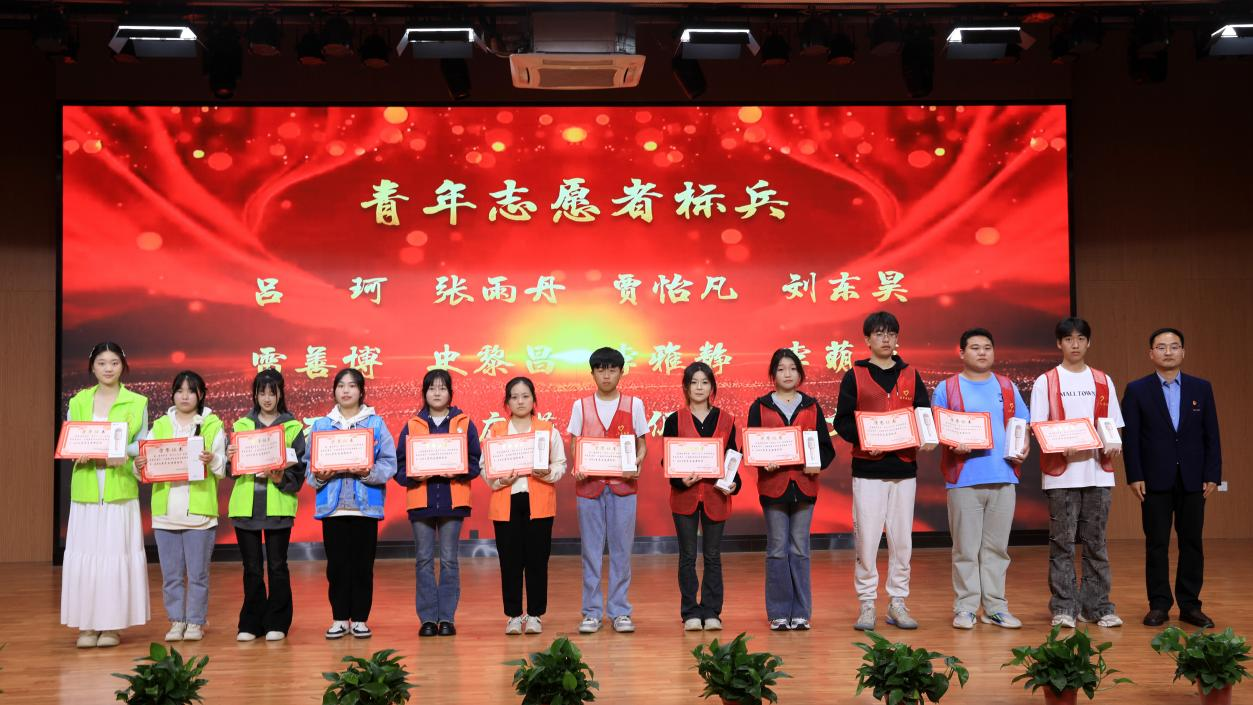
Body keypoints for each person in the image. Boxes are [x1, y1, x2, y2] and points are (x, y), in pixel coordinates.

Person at [833, 311, 930, 631]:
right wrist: (865, 440)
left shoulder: (911, 374)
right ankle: (866, 604)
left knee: (902, 541)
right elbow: (842, 421)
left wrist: (925, 437)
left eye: (890, 333)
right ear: (867, 339)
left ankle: (898, 602)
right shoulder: (855, 375)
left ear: (897, 338)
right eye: (879, 333)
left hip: (903, 468)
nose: (885, 339)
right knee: (867, 539)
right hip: (868, 469)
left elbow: (923, 416)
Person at [1122, 327, 1221, 628]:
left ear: (1183, 352)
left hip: (1193, 479)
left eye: (1174, 346)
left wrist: (1213, 474)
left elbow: (1212, 435)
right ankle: (1159, 605)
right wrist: (1135, 475)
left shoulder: (1201, 388)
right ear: (1151, 353)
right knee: (1157, 544)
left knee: (1192, 542)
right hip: (1154, 479)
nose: (1168, 352)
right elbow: (1131, 438)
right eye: (1161, 347)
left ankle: (1190, 606)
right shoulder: (1137, 390)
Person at [930, 328, 1030, 630]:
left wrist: (1024, 446)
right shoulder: (947, 388)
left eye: (987, 347)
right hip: (964, 477)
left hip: (1003, 476)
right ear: (962, 353)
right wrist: (952, 442)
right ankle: (966, 608)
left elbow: (1022, 424)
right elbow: (938, 428)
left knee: (997, 549)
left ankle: (995, 607)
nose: (982, 352)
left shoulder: (1007, 386)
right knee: (965, 549)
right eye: (975, 347)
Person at [1030, 317, 1124, 629]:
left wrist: (1113, 443)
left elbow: (1113, 426)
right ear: (1059, 343)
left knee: (1096, 543)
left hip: (1098, 472)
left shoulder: (1103, 380)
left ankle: (1097, 607)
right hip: (1062, 474)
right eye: (1069, 339)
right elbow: (1038, 426)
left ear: (1088, 342)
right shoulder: (1046, 381)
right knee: (1063, 544)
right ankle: (1064, 608)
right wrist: (1060, 445)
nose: (1075, 344)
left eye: (1081, 339)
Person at [61, 342, 150, 648]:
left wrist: (121, 451)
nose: (108, 368)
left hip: (118, 487)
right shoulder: (78, 401)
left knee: (115, 553)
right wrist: (77, 451)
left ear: (123, 365)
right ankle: (86, 625)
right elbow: (69, 437)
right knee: (87, 553)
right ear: (92, 367)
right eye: (102, 363)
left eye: (114, 362)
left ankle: (112, 625)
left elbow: (142, 443)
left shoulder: (137, 401)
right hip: (86, 487)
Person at [748, 348, 836, 631]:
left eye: (792, 368)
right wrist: (764, 461)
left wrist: (815, 464)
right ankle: (778, 612)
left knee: (799, 549)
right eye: (781, 369)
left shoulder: (811, 406)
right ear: (773, 374)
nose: (787, 374)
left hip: (804, 486)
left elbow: (826, 448)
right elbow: (752, 447)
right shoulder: (760, 406)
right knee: (776, 549)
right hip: (773, 486)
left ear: (800, 373)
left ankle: (801, 612)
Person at [306, 368, 397, 640]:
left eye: (352, 386)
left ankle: (359, 619)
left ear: (361, 391)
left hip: (365, 508)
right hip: (333, 509)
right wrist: (320, 476)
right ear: (334, 390)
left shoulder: (376, 424)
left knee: (362, 566)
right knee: (336, 567)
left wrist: (368, 472)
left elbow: (389, 462)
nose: (346, 390)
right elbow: (309, 467)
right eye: (341, 385)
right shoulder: (321, 426)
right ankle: (338, 618)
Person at [136, 370, 226, 643]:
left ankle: (195, 622)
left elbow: (222, 468)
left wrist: (211, 459)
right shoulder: (161, 425)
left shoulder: (212, 425)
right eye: (180, 390)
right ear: (173, 394)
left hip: (199, 513)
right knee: (171, 575)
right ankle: (176, 621)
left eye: (191, 391)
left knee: (198, 575)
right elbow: (145, 466)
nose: (185, 396)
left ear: (201, 394)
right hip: (166, 513)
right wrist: (139, 465)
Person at [393, 369, 482, 637]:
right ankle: (428, 619)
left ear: (450, 393)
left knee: (449, 561)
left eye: (442, 388)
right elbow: (399, 467)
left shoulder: (464, 423)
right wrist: (414, 475)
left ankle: (447, 619)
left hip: (453, 503)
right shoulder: (412, 425)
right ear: (425, 393)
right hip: (421, 501)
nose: (437, 393)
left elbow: (475, 463)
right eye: (432, 388)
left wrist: (458, 471)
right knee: (423, 560)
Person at [567, 347, 649, 634]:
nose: (606, 375)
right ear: (592, 373)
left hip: (623, 487)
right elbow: (575, 443)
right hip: (588, 487)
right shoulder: (581, 405)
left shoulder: (634, 404)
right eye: (600, 369)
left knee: (621, 552)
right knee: (590, 552)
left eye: (612, 369)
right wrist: (578, 464)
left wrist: (637, 462)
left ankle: (619, 611)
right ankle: (591, 613)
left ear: (621, 372)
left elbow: (642, 444)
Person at [482, 377, 566, 635]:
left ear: (534, 400)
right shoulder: (496, 431)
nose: (520, 401)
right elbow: (485, 467)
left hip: (539, 502)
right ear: (507, 402)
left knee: (537, 560)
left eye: (525, 396)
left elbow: (560, 464)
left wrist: (547, 474)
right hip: (506, 501)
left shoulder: (547, 430)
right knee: (509, 561)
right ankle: (513, 615)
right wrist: (499, 481)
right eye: (514, 396)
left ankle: (535, 615)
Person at [227, 369, 306, 642]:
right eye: (262, 392)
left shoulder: (292, 427)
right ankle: (251, 622)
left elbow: (299, 473)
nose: (267, 398)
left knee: (277, 566)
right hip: (245, 507)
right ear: (255, 395)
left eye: (273, 392)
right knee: (251, 568)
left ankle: (278, 621)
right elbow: (230, 472)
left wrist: (281, 477)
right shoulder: (241, 426)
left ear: (281, 394)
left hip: (278, 507)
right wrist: (230, 459)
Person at [664, 362, 742, 632]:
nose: (699, 387)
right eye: (694, 382)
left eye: (705, 382)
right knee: (687, 556)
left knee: (712, 555)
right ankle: (690, 612)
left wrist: (734, 484)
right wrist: (679, 480)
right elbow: (668, 460)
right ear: (686, 387)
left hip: (715, 496)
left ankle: (711, 611)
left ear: (712, 387)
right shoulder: (674, 420)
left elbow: (732, 459)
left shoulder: (726, 419)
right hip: (684, 497)